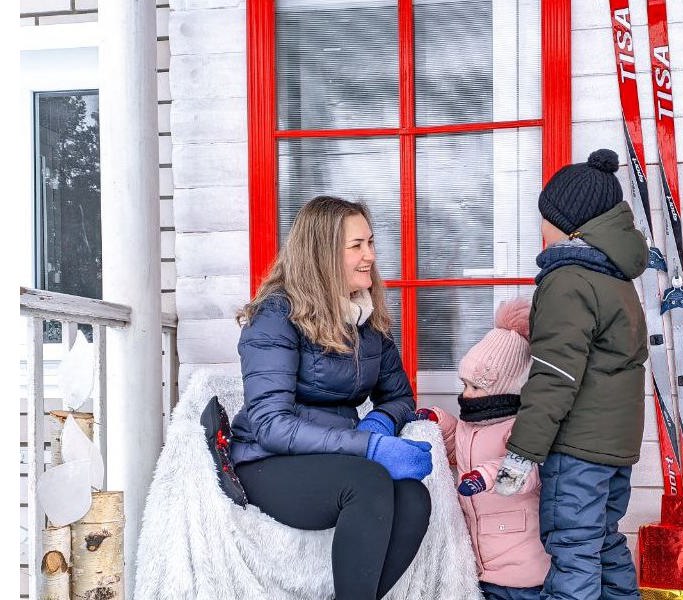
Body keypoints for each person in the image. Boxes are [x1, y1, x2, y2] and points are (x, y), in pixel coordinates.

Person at [228, 195, 433, 600]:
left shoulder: (366, 318)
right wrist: (369, 446)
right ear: (322, 254)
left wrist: (380, 422)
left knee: (414, 496)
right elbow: (270, 425)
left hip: (335, 456)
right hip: (268, 462)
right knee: (369, 481)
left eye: (371, 243)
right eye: (356, 246)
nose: (370, 256)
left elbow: (400, 395)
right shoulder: (277, 315)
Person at [493, 149, 650, 600]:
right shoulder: (616, 281)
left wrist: (522, 452)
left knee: (573, 548)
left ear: (569, 225)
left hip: (577, 448)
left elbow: (554, 373)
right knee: (603, 540)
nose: (539, 228)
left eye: (545, 217)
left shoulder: (568, 281)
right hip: (615, 447)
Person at [415, 297, 550, 600]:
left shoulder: (518, 427)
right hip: (482, 564)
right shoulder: (469, 426)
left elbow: (526, 471)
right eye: (464, 384)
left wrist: (485, 477)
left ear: (505, 388)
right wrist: (437, 422)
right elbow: (455, 447)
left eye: (476, 387)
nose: (466, 394)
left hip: (524, 564)